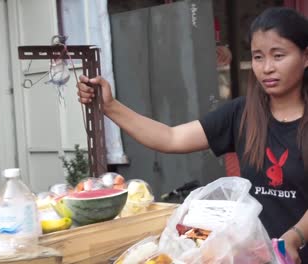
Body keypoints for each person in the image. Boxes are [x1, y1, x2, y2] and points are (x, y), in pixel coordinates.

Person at [77, 7, 308, 263]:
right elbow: (170, 138)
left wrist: (296, 236)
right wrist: (110, 107)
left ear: (306, 57)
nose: (267, 68)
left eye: (278, 56)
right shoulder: (241, 113)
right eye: (257, 57)